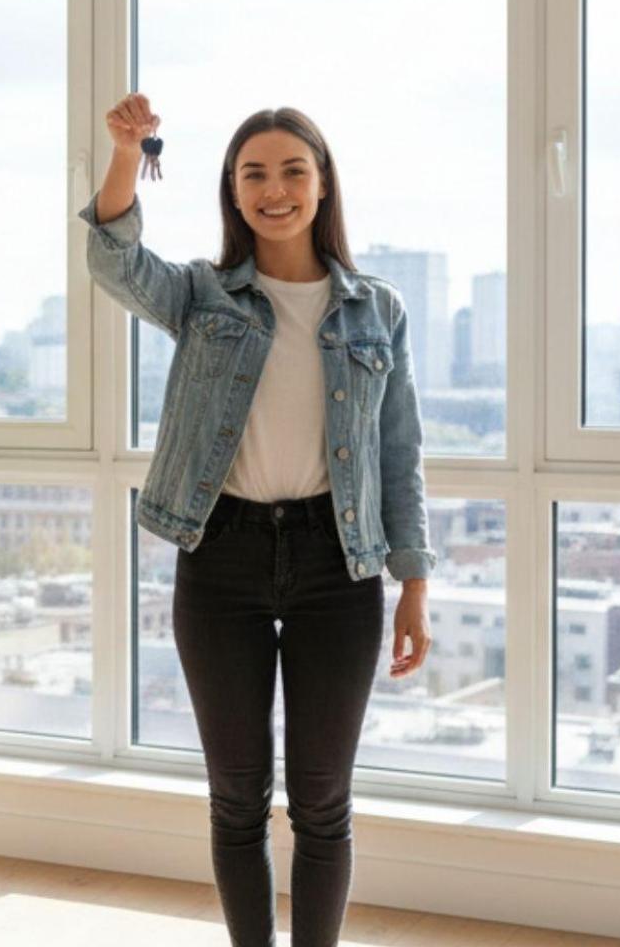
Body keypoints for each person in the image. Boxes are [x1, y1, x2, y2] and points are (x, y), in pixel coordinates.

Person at [79, 97, 437, 947]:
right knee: (237, 798)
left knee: (322, 802)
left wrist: (414, 582)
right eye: (254, 174)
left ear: (321, 185)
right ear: (233, 195)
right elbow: (113, 260)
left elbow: (399, 454)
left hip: (337, 566)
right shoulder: (203, 295)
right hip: (223, 561)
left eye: (291, 171)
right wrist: (127, 152)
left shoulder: (376, 310)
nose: (274, 189)